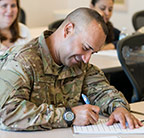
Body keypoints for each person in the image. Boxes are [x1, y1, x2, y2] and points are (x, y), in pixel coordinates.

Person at [0, 7, 142, 131]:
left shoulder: (78, 62)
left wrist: (119, 108)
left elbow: (104, 92)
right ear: (68, 30)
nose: (87, 59)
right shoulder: (21, 61)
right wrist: (68, 116)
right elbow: (6, 113)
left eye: (92, 53)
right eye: (85, 48)